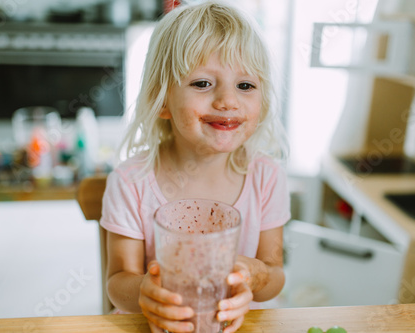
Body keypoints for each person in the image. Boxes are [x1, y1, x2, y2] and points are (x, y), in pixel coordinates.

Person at [100, 1, 291, 332]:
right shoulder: (131, 182)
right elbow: (118, 283)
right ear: (161, 100)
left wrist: (257, 275)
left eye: (245, 85)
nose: (228, 100)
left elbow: (275, 274)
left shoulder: (267, 177)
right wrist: (144, 293)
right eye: (203, 83)